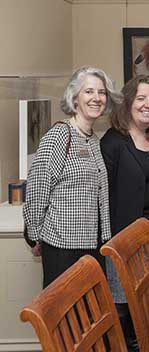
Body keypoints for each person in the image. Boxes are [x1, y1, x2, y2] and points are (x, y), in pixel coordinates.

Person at [23, 66, 121, 288]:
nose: (96, 98)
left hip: (91, 246)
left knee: (90, 317)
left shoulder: (94, 140)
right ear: (74, 98)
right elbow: (37, 190)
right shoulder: (59, 135)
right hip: (62, 248)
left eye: (102, 92)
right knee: (64, 318)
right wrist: (35, 236)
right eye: (89, 92)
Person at [100, 75, 149, 350]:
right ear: (127, 102)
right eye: (141, 98)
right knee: (125, 308)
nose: (148, 105)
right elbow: (103, 197)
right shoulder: (113, 142)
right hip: (124, 242)